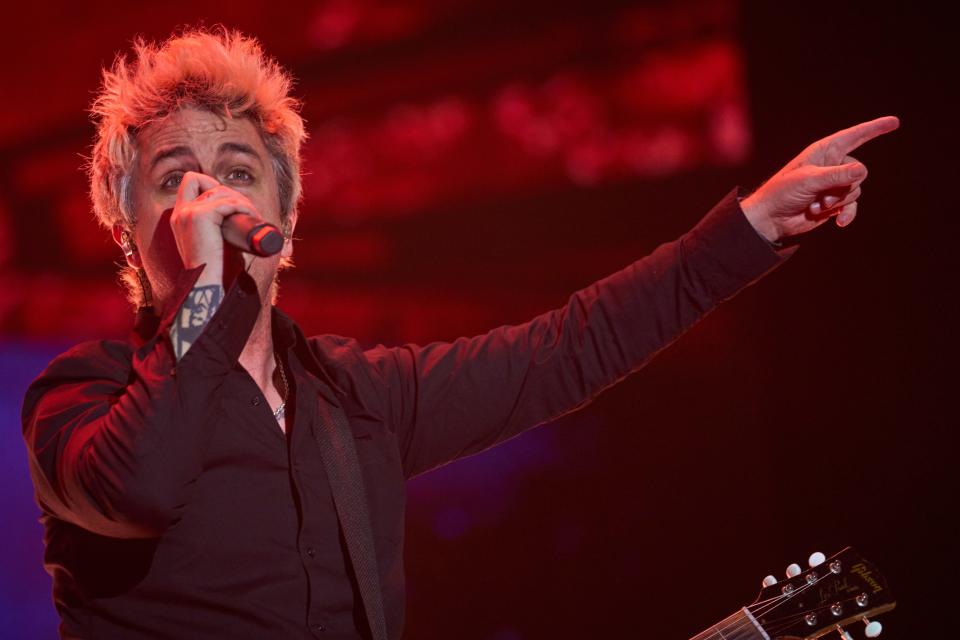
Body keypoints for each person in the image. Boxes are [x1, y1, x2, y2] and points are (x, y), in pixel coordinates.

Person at [20, 27, 899, 640]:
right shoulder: (79, 397)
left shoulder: (359, 398)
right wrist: (206, 291)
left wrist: (750, 229)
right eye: (175, 178)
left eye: (239, 172)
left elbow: (570, 348)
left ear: (286, 210)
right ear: (122, 222)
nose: (211, 196)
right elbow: (138, 488)